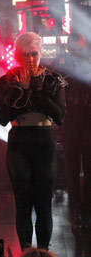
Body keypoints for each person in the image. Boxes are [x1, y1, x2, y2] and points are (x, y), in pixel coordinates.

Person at [0, 32, 66, 250]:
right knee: (23, 203)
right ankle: (26, 252)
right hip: (19, 142)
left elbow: (60, 117)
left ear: (41, 53)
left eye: (34, 54)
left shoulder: (53, 80)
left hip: (44, 142)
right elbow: (2, 118)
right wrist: (21, 90)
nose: (31, 59)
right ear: (17, 55)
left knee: (44, 204)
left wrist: (36, 89)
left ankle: (43, 254)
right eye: (26, 54)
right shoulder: (7, 81)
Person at [55, 32, 91, 229]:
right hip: (73, 122)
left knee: (78, 169)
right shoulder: (64, 63)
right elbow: (57, 88)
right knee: (73, 169)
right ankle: (78, 210)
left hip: (82, 121)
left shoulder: (67, 62)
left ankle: (82, 210)